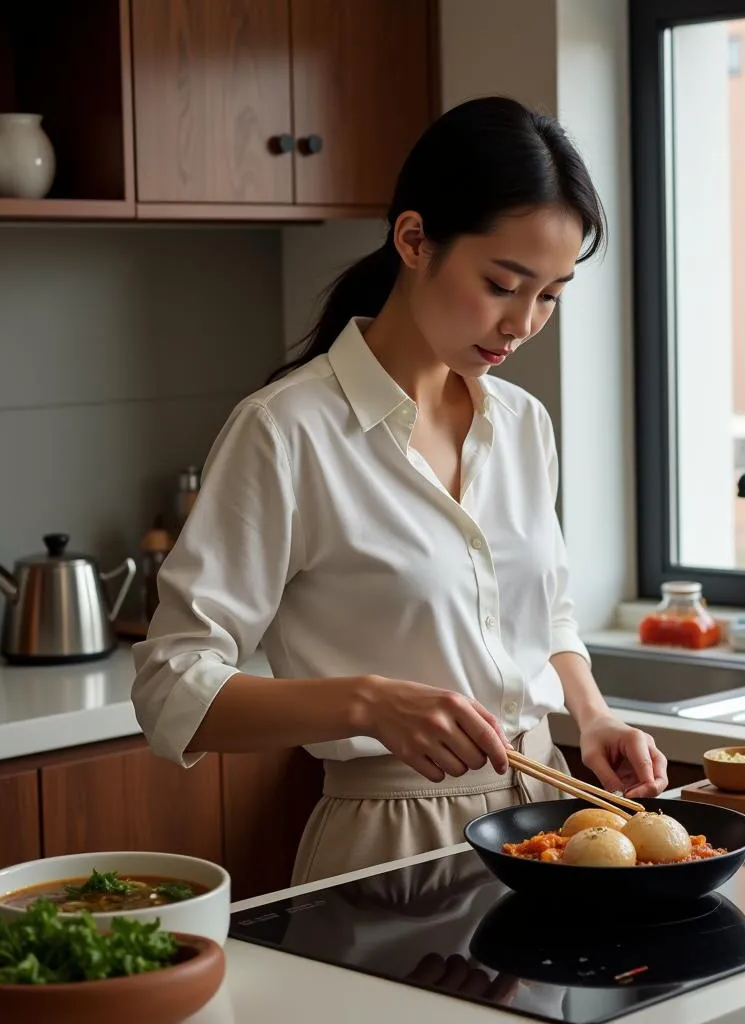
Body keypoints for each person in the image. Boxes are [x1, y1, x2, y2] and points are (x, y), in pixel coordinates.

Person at [131, 95, 669, 885]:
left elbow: (543, 609)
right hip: (392, 846)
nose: (523, 323)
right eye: (502, 283)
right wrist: (367, 703)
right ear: (414, 240)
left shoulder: (522, 423)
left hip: (550, 830)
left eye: (550, 294)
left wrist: (591, 715)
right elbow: (170, 682)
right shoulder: (286, 431)